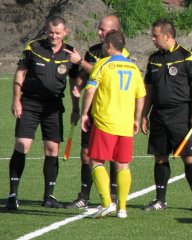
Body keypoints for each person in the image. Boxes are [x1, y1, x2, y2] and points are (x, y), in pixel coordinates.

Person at [5, 16, 80, 210]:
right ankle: (13, 194)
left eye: (57, 33)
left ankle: (49, 196)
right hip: (29, 103)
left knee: (52, 150)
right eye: (50, 32)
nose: (53, 36)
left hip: (53, 107)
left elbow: (73, 83)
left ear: (65, 33)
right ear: (47, 31)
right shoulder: (33, 47)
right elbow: (20, 72)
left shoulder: (71, 53)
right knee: (22, 146)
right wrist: (16, 99)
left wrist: (75, 108)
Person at [65, 16, 130, 209]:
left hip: (112, 113)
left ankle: (114, 195)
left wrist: (80, 62)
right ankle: (84, 195)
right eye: (99, 29)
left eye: (103, 30)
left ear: (115, 32)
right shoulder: (93, 51)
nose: (99, 32)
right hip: (92, 112)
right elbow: (84, 76)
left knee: (113, 156)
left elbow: (105, 70)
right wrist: (78, 86)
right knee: (86, 153)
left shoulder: (121, 53)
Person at [141, 18, 192, 212]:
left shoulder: (187, 57)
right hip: (159, 115)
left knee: (189, 157)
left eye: (156, 35)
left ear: (168, 36)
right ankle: (160, 199)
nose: (152, 38)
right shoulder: (153, 59)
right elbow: (149, 90)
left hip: (181, 114)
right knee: (160, 157)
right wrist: (144, 115)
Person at [80, 30, 145, 219]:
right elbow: (141, 96)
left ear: (109, 46)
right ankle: (122, 208)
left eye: (103, 45)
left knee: (96, 160)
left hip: (105, 121)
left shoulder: (102, 64)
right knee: (123, 164)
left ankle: (107, 202)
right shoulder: (134, 68)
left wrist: (84, 113)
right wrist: (136, 118)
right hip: (125, 123)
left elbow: (90, 91)